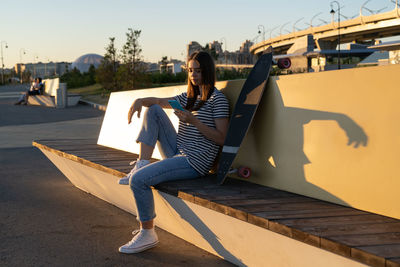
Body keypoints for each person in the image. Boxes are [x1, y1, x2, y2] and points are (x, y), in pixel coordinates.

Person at [118, 51, 230, 254]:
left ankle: (148, 233)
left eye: (198, 70)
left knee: (138, 181)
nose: (194, 75)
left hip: (196, 161)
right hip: (179, 152)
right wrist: (140, 100)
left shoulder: (217, 100)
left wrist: (194, 121)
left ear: (207, 71)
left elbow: (223, 138)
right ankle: (142, 162)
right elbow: (160, 102)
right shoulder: (189, 97)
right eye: (190, 71)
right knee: (153, 109)